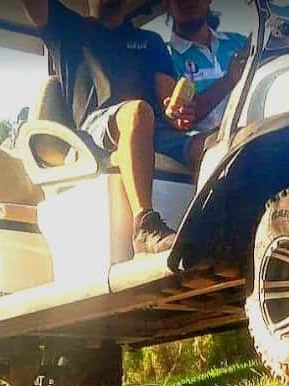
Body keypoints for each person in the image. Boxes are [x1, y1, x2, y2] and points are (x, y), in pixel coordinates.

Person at [19, 0, 181, 255]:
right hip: (93, 131)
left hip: (155, 129)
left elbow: (169, 99)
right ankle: (145, 226)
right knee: (137, 113)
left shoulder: (150, 42)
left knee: (212, 143)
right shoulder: (66, 27)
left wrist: (178, 109)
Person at [158, 0, 250, 169]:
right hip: (210, 153)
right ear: (167, 4)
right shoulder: (164, 56)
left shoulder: (240, 42)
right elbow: (178, 117)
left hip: (255, 132)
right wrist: (228, 80)